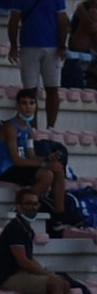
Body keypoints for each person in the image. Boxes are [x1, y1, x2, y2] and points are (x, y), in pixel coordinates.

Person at [7, 0, 68, 129]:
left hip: (52, 47)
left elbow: (63, 22)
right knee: (30, 91)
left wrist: (62, 46)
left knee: (52, 88)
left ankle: (50, 127)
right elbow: (13, 22)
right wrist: (13, 46)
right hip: (28, 47)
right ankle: (31, 128)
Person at [0, 87, 67, 230]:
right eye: (24, 103)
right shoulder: (10, 127)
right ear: (17, 106)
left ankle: (59, 216)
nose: (28, 107)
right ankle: (21, 208)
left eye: (32, 103)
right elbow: (16, 159)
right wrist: (44, 165)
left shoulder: (29, 129)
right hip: (7, 168)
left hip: (20, 167)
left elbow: (30, 155)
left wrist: (47, 158)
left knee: (58, 168)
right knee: (47, 174)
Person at [0, 187, 71, 294]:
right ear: (19, 207)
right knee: (56, 283)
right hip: (8, 277)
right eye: (28, 204)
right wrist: (46, 274)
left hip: (21, 273)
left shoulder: (26, 228)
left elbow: (29, 259)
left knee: (65, 283)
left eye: (35, 204)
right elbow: (23, 262)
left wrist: (44, 272)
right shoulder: (15, 228)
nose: (33, 207)